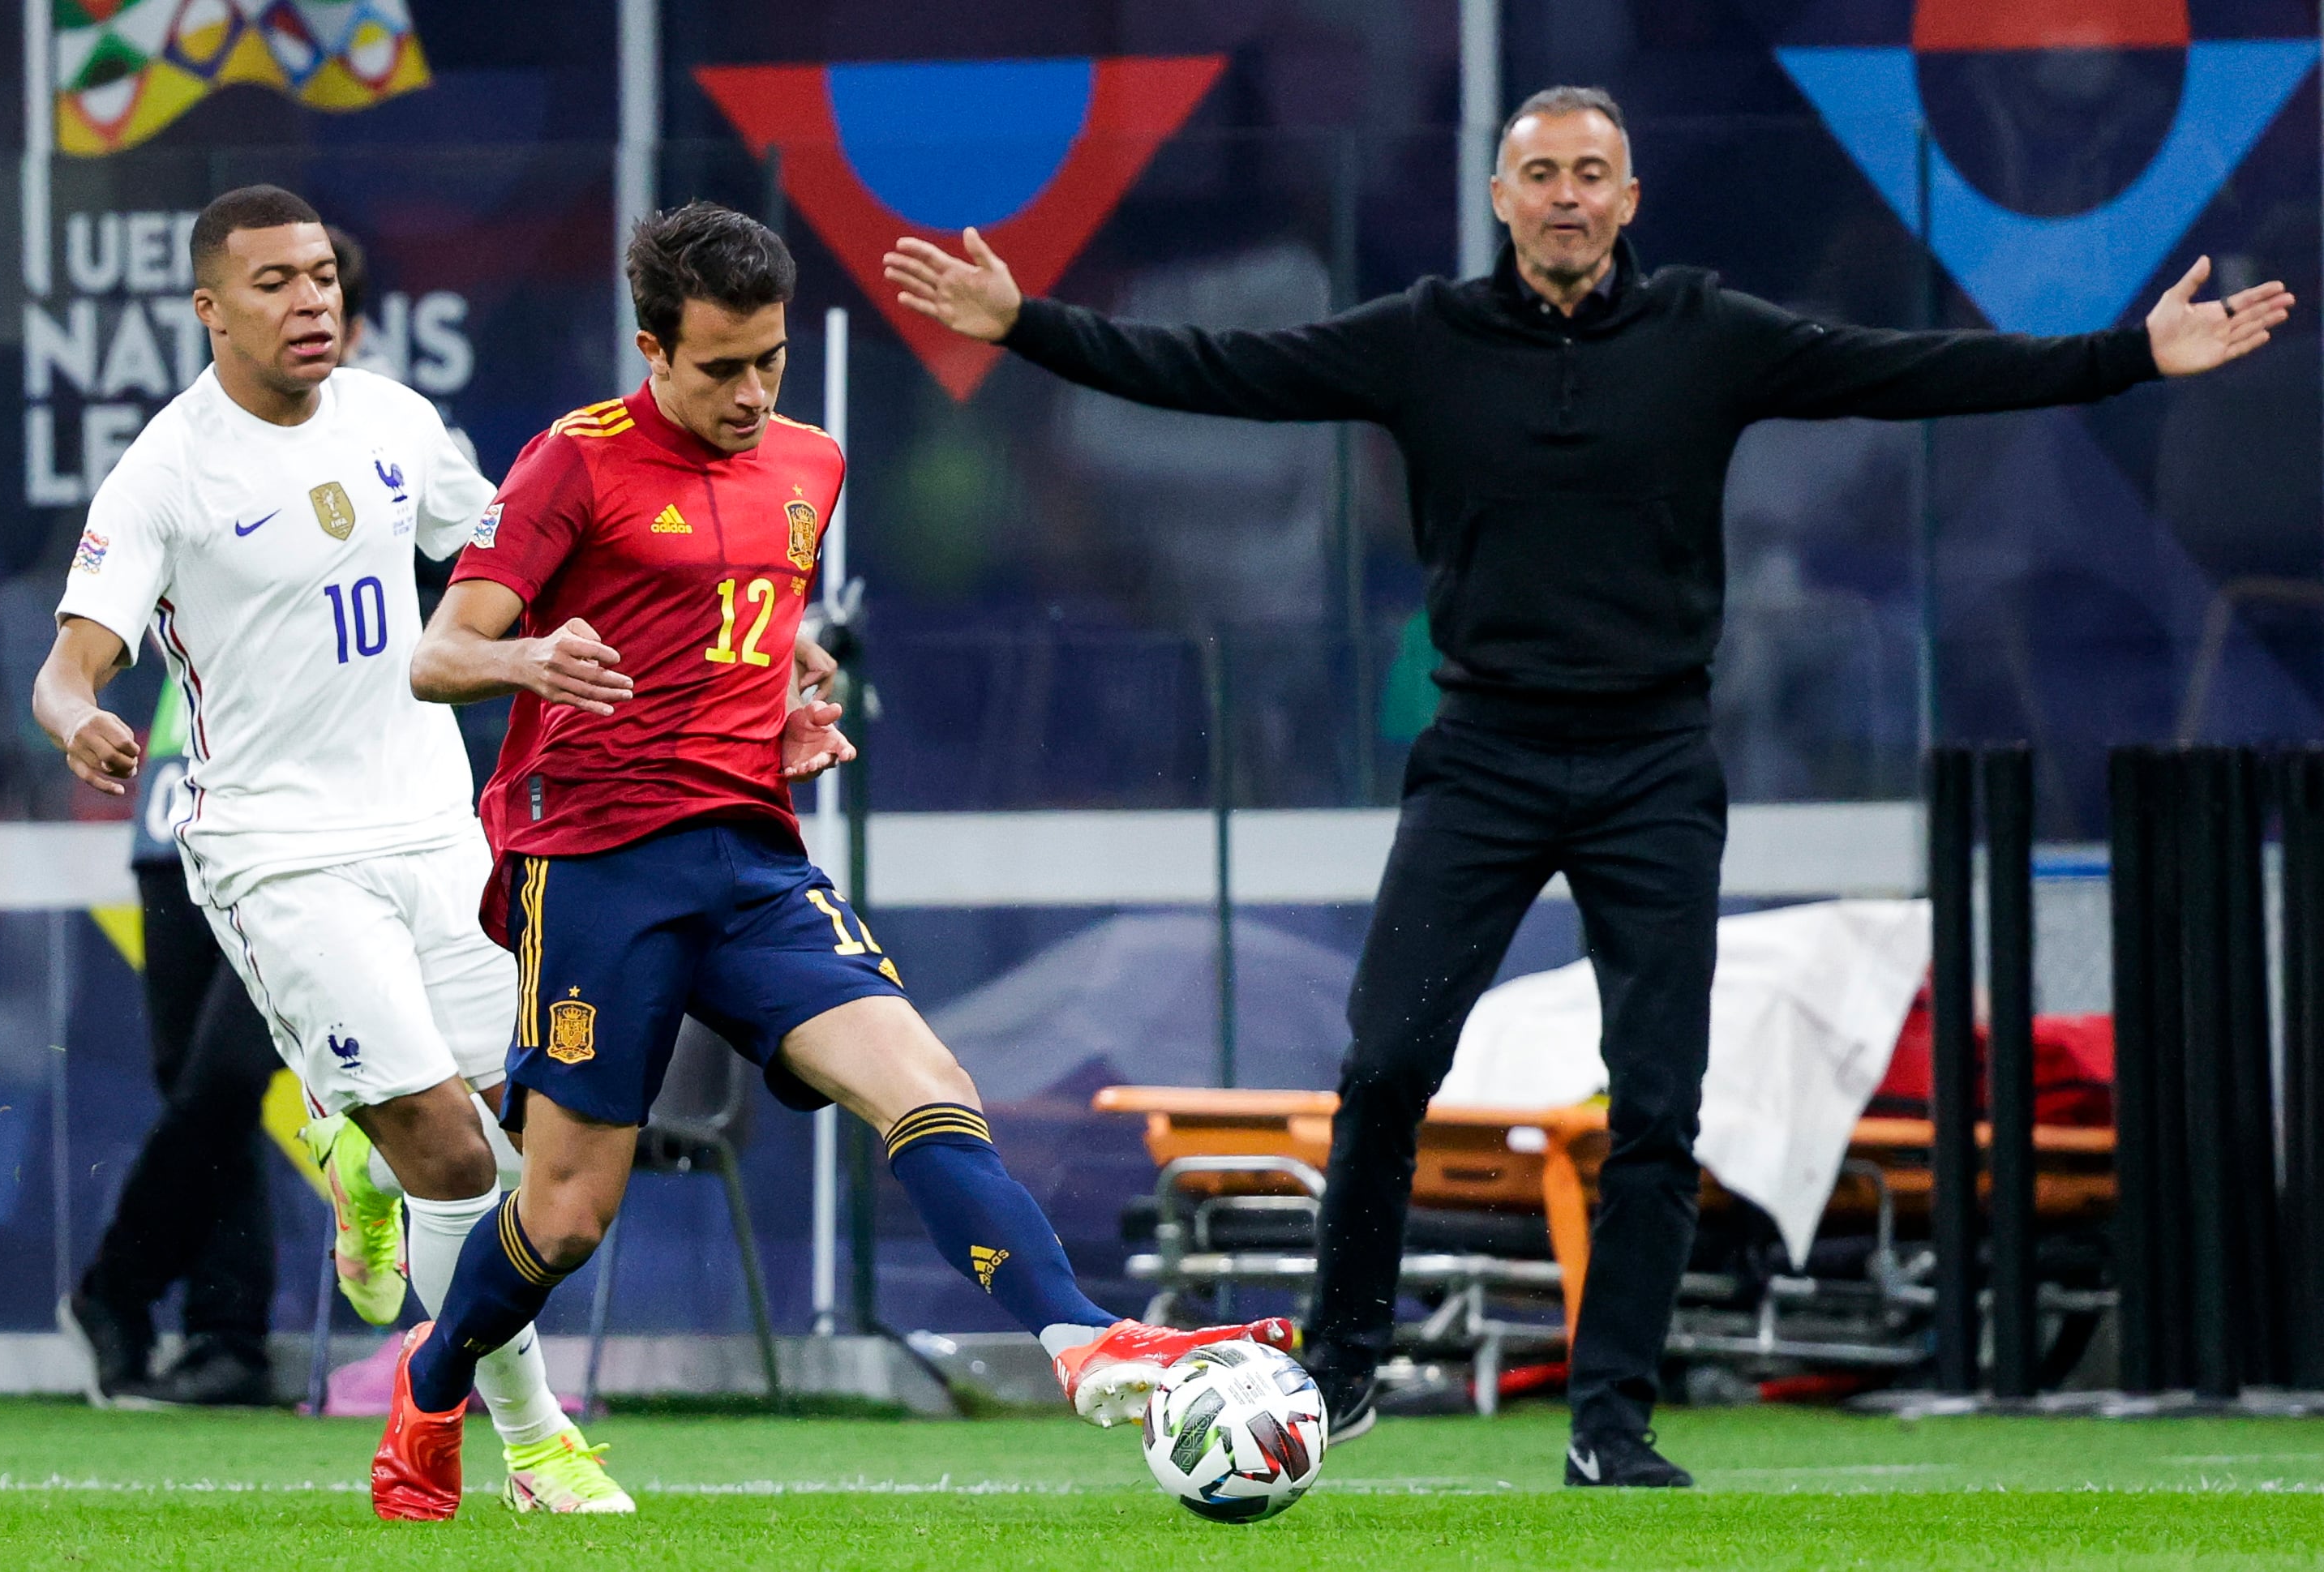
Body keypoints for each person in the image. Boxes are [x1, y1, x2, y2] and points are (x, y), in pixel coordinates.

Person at [884, 85, 2292, 1486]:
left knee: (1658, 1106)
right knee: (1383, 1064)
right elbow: (1219, 367)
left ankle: (1609, 1417)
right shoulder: (1422, 341)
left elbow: (1910, 368)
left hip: (1651, 766)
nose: (1562, 193)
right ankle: (1344, 1361)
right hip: (1481, 758)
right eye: (1537, 172)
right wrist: (1026, 327)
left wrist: (2130, 358)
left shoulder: (1706, 336)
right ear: (1499, 200)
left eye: (1589, 173)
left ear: (1626, 201)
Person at [383, 200, 1292, 1522]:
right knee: (569, 1211)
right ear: (651, 349)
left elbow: (749, 609)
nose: (752, 393)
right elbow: (437, 654)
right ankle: (436, 1372)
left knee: (926, 1084)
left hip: (751, 857)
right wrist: (526, 656)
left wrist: (786, 686)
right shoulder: (566, 465)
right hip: (593, 866)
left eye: (769, 360)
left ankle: (1079, 1340)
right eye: (719, 368)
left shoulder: (812, 460)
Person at [30, 184, 630, 1513]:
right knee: (455, 1157)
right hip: (276, 850)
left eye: (322, 277)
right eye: (275, 283)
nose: (312, 302)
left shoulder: (398, 420)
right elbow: (67, 669)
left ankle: (354, 1135)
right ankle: (533, 1441)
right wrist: (85, 724)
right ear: (208, 310)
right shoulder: (166, 471)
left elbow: (512, 551)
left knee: (535, 1140)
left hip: (431, 828)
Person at [57, 672, 281, 1409]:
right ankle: (226, 1336)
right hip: (175, 801)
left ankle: (117, 1290)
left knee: (227, 1077)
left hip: (304, 810)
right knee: (197, 1085)